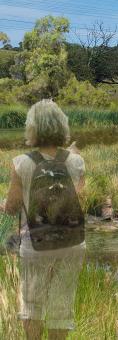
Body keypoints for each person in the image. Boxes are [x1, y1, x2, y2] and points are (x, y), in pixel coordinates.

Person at [3, 100, 86, 340]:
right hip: (71, 245)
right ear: (62, 126)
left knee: (32, 307)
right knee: (62, 308)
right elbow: (80, 200)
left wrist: (3, 205)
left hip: (35, 245)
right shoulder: (77, 161)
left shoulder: (21, 163)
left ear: (32, 129)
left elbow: (12, 208)